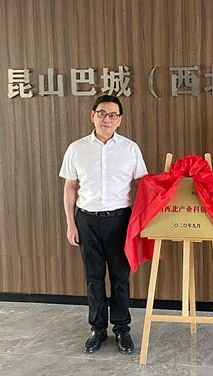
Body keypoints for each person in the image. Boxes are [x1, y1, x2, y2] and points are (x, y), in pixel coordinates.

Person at [59, 95, 148, 354]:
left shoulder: (130, 149)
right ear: (92, 116)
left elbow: (142, 186)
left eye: (112, 115)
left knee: (120, 277)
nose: (106, 119)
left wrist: (142, 220)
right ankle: (97, 329)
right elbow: (70, 187)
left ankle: (121, 328)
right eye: (101, 113)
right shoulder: (76, 149)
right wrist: (70, 223)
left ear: (119, 120)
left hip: (120, 221)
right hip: (87, 220)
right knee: (93, 278)